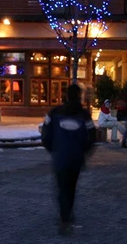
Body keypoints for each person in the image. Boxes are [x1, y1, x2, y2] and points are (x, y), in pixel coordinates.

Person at [41, 84, 96, 235]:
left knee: (61, 186)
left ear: (65, 96)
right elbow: (92, 135)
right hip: (76, 158)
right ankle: (67, 213)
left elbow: (45, 133)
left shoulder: (54, 112)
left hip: (60, 156)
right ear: (79, 96)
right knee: (71, 186)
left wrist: (53, 149)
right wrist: (83, 151)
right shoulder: (84, 115)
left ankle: (64, 215)